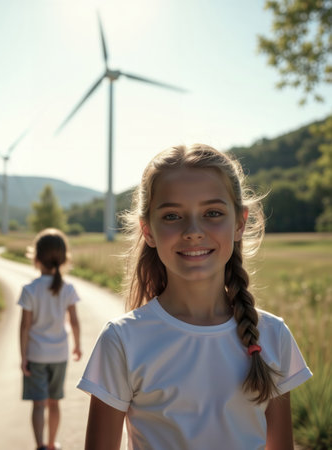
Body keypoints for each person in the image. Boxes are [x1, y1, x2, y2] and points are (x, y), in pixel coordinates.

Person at [77, 144, 312, 450]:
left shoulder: (273, 334)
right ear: (148, 231)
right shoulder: (122, 340)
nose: (193, 231)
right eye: (172, 216)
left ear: (240, 222)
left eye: (212, 213)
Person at [19, 228, 82, 450]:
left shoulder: (30, 290)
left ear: (36, 259)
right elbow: (74, 321)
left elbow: (25, 327)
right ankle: (53, 444)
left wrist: (23, 356)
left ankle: (40, 446)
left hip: (36, 355)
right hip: (59, 355)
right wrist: (77, 346)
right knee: (55, 403)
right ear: (64, 259)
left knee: (39, 404)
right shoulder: (68, 288)